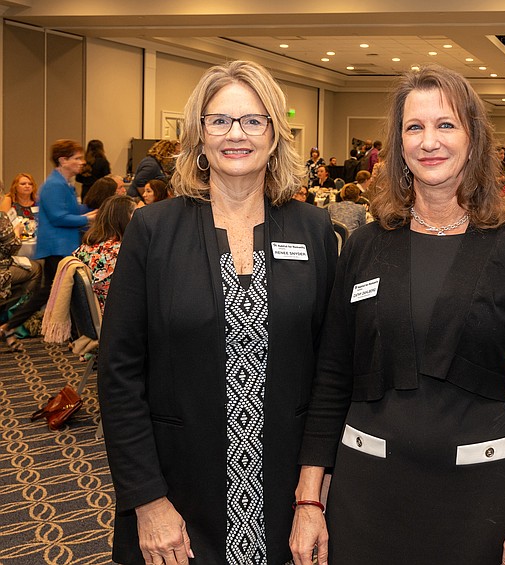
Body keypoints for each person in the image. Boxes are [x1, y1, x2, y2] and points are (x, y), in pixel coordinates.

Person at [291, 64, 505, 565]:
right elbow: (331, 379)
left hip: (479, 496)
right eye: (414, 127)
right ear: (398, 144)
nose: (429, 141)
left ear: (473, 139)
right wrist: (308, 500)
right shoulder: (365, 246)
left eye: (445, 125)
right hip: (367, 490)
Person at [98, 60, 337, 565]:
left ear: (275, 134)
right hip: (178, 492)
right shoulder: (153, 230)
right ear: (199, 134)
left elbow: (330, 371)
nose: (236, 134)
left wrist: (312, 495)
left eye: (253, 120)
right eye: (220, 120)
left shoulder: (313, 229)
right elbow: (119, 374)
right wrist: (147, 499)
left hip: (286, 490)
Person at [0, 140, 94, 350]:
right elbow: (58, 217)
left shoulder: (65, 184)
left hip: (63, 245)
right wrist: (87, 218)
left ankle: (74, 337)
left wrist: (91, 210)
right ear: (63, 160)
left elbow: (71, 211)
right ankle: (10, 326)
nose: (82, 162)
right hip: (56, 247)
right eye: (77, 158)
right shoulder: (54, 185)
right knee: (50, 291)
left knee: (57, 291)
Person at [72, 194, 136, 313]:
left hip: (96, 311)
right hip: (115, 313)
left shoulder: (85, 247)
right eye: (135, 214)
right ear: (124, 218)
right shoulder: (119, 252)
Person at [0, 184, 43, 342]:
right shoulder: (1, 217)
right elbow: (12, 247)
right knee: (36, 269)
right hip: (1, 270)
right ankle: (15, 318)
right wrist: (17, 233)